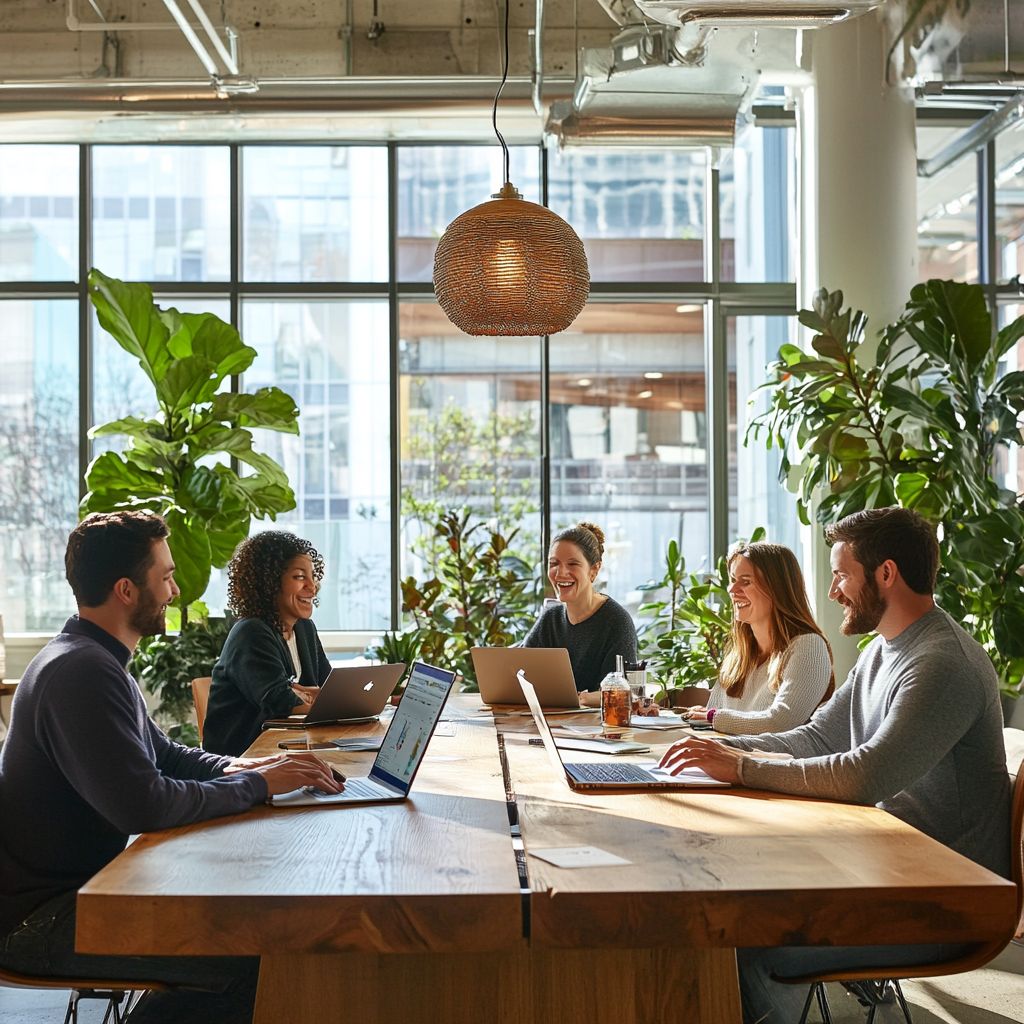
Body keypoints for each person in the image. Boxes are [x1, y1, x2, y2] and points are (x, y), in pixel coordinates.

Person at [659, 507, 1010, 1023]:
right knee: (727, 895)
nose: (832, 591)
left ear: (885, 574)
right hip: (885, 863)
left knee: (740, 939)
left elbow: (866, 775)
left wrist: (741, 769)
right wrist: (736, 756)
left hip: (945, 901)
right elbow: (819, 735)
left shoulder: (941, 662)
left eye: (842, 574)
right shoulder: (881, 650)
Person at [0, 511, 342, 1024]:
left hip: (91, 892)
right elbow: (146, 803)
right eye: (165, 577)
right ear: (126, 590)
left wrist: (250, 766)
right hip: (46, 919)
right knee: (260, 958)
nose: (175, 591)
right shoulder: (83, 672)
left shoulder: (92, 659)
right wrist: (254, 783)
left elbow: (168, 755)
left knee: (261, 935)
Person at [203, 531, 332, 757]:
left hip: (290, 750)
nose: (312, 586)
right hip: (243, 762)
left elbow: (331, 690)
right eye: (300, 577)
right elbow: (282, 703)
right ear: (270, 582)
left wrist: (311, 695)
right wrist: (304, 697)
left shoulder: (304, 629)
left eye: (313, 576)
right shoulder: (251, 633)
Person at [683, 542, 834, 735]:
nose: (732, 590)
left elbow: (781, 723)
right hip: (729, 759)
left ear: (777, 589)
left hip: (774, 764)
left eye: (745, 581)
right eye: (733, 580)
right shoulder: (738, 656)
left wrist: (713, 717)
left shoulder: (809, 646)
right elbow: (714, 723)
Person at [522, 522, 637, 692]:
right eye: (554, 563)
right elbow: (518, 669)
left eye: (572, 564)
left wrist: (578, 699)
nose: (560, 573)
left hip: (599, 719)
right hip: (552, 717)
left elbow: (620, 694)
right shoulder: (551, 619)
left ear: (594, 570)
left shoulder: (616, 622)